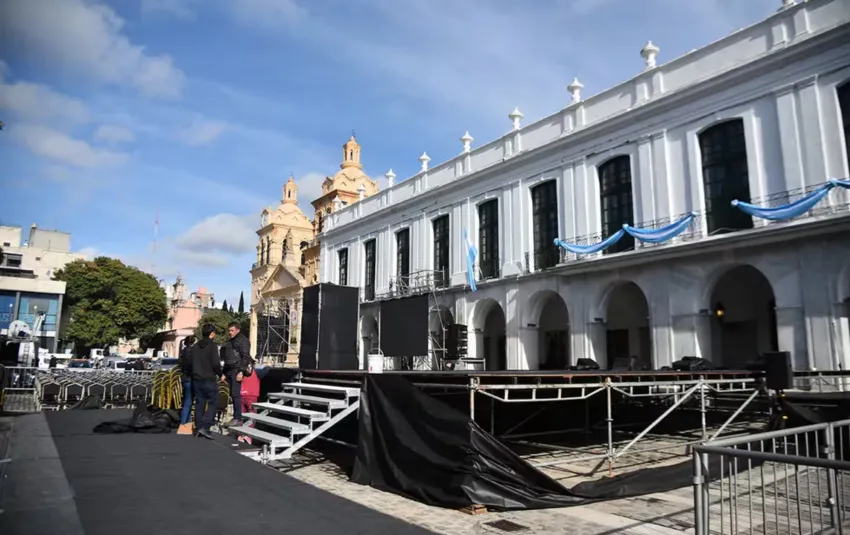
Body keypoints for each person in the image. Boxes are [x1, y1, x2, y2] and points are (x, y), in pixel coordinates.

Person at [190, 324, 221, 440]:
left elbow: (190, 362)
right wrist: (220, 374)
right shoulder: (212, 346)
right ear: (212, 333)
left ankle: (198, 427)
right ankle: (206, 426)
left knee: (199, 403)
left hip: (197, 379)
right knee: (213, 401)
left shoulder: (196, 346)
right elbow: (215, 363)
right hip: (209, 378)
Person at [222, 321, 251, 427]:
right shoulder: (231, 341)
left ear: (238, 330)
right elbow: (227, 357)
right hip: (229, 370)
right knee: (231, 394)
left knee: (235, 394)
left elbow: (245, 357)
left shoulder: (243, 341)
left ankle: (237, 417)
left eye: (232, 330)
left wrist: (241, 371)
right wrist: (224, 372)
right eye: (229, 330)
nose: (230, 332)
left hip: (236, 370)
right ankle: (235, 417)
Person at [176, 335, 196, 436]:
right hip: (191, 378)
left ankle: (187, 422)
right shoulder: (193, 351)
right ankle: (183, 424)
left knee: (187, 400)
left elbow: (180, 364)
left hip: (185, 377)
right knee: (189, 401)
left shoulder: (183, 351)